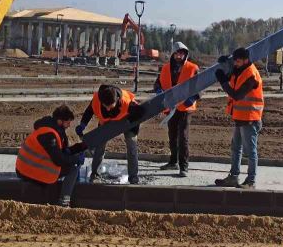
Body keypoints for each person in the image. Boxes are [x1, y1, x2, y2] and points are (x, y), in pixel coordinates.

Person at [16, 105, 87, 207]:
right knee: (74, 167)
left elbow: (61, 152)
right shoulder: (49, 135)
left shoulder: (52, 129)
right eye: (68, 122)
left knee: (72, 160)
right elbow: (59, 160)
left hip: (31, 165)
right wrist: (76, 159)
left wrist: (80, 147)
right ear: (60, 121)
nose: (69, 125)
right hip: (28, 170)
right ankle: (64, 202)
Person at [213, 47, 264, 189]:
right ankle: (234, 177)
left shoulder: (251, 75)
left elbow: (237, 94)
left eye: (238, 61)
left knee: (250, 151)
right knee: (236, 148)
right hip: (240, 118)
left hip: (250, 119)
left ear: (246, 60)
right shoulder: (240, 69)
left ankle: (251, 181)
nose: (235, 63)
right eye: (234, 61)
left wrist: (223, 81)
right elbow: (233, 74)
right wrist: (226, 64)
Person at [75, 84, 143, 184]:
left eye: (110, 106)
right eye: (105, 106)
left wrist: (128, 122)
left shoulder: (127, 102)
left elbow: (140, 113)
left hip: (127, 121)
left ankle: (133, 177)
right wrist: (82, 124)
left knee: (131, 146)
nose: (107, 109)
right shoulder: (97, 100)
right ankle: (95, 174)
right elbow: (89, 111)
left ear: (117, 100)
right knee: (100, 146)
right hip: (106, 122)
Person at [154, 41, 200, 177]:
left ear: (185, 54)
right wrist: (158, 92)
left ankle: (183, 167)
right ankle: (173, 161)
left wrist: (191, 99)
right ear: (173, 54)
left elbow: (199, 87)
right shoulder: (165, 68)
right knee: (172, 136)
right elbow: (158, 83)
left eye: (182, 53)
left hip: (185, 108)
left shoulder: (193, 68)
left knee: (183, 137)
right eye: (177, 53)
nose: (180, 56)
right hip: (170, 107)